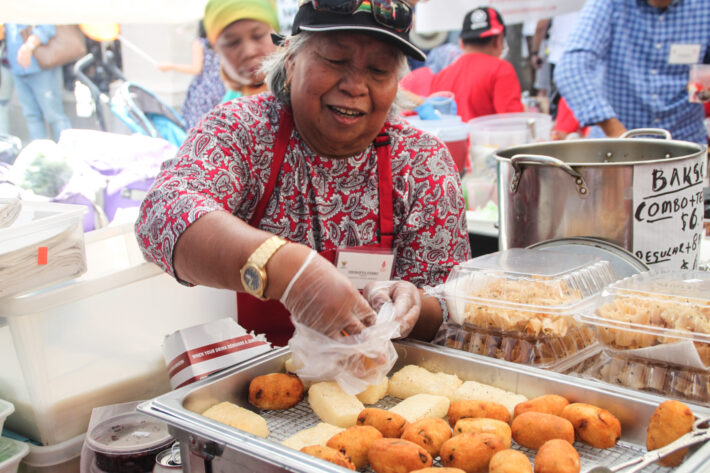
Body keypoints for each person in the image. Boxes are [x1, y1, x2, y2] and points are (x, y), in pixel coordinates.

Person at [135, 0, 471, 347]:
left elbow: (454, 310)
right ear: (291, 61)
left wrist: (416, 306)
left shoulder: (421, 162)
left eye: (379, 69)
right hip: (258, 383)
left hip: (382, 387)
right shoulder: (243, 131)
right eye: (336, 61)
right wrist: (288, 272)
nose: (355, 85)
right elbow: (163, 213)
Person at [555, 0, 710, 144]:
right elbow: (570, 68)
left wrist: (702, 86)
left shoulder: (703, 6)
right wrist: (615, 131)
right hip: (615, 147)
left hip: (685, 143)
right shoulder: (610, 4)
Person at [429, 6, 523, 122]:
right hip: (489, 140)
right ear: (498, 41)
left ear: (461, 43)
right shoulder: (501, 69)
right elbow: (514, 123)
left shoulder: (440, 77)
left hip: (450, 140)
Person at [3, 24, 72, 142]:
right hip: (17, 68)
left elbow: (48, 27)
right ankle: (40, 156)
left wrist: (29, 47)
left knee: (54, 116)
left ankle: (67, 153)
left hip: (41, 66)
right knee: (31, 116)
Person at [203, 0, 280, 103]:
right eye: (232, 43)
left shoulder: (301, 95)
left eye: (258, 36)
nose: (249, 52)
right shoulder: (226, 112)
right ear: (216, 49)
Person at [157, 21, 225, 130]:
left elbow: (196, 69)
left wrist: (171, 66)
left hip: (202, 90)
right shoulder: (222, 43)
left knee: (197, 125)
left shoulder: (200, 43)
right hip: (220, 88)